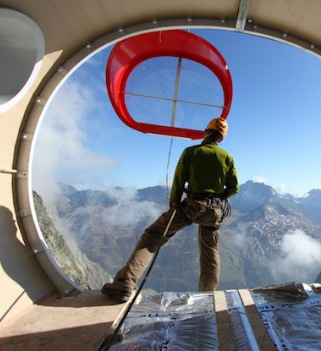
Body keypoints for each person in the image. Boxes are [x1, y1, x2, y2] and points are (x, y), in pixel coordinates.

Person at [101, 117, 239, 302]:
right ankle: (208, 295)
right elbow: (234, 187)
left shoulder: (191, 152)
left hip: (192, 205)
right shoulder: (227, 158)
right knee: (210, 251)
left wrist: (174, 202)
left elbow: (179, 179)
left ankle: (124, 283)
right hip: (214, 210)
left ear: (206, 131)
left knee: (154, 235)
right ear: (221, 138)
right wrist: (220, 197)